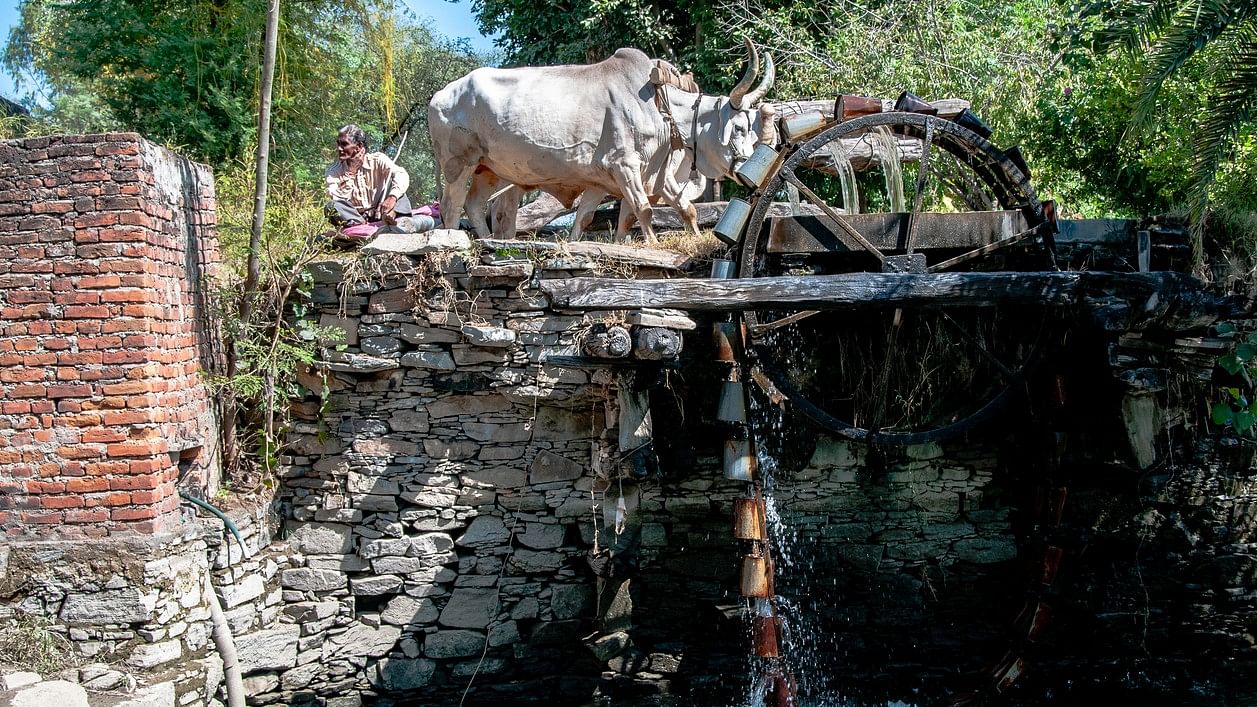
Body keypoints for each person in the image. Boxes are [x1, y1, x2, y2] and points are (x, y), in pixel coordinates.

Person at [324, 124, 417, 231]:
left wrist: (392, 198)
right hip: (355, 217)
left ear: (359, 146)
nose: (339, 148)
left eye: (344, 144)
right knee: (331, 206)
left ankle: (392, 214)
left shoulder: (377, 160)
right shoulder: (334, 171)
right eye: (338, 144)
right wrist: (351, 172)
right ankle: (362, 227)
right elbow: (338, 199)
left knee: (398, 188)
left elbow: (402, 174)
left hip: (381, 210)